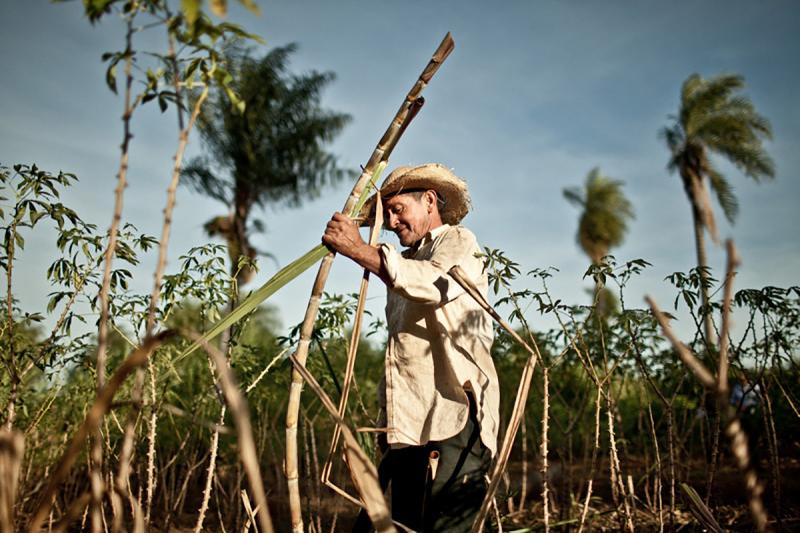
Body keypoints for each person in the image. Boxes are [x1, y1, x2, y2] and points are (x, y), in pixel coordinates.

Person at [322, 163, 500, 532]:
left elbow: (432, 283)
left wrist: (358, 249)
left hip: (454, 415)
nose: (391, 221)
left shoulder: (458, 241)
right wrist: (388, 420)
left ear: (430, 201)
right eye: (387, 214)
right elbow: (401, 356)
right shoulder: (404, 262)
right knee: (403, 524)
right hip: (408, 424)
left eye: (398, 209)